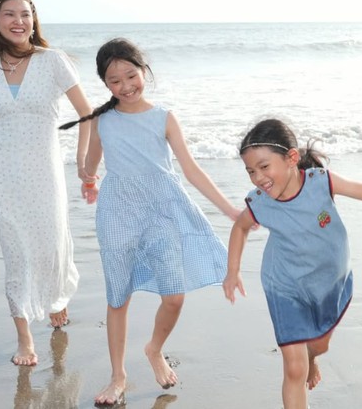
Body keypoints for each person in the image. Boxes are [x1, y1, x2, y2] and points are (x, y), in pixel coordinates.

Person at [59, 37, 243, 406]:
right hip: (117, 214)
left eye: (131, 75)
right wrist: (88, 180)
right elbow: (92, 165)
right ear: (105, 83)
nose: (126, 86)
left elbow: (190, 169)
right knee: (118, 297)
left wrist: (231, 210)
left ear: (144, 71)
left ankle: (154, 349)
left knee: (173, 296)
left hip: (162, 211)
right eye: (115, 80)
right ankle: (118, 376)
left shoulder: (164, 117)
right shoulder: (103, 120)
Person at [222, 117, 362, 409]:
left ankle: (312, 356)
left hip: (328, 282)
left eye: (263, 167)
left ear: (291, 158)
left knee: (320, 345)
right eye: (250, 171)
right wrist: (232, 270)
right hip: (284, 285)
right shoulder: (260, 201)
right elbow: (241, 227)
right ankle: (303, 362)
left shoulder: (321, 182)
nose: (258, 178)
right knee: (294, 368)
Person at [0, 0, 92, 367]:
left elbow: (88, 113)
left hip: (45, 171)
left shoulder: (53, 61)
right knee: (16, 253)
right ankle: (25, 338)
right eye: (9, 14)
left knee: (51, 244)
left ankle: (56, 297)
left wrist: (84, 163)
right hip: (2, 177)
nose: (19, 21)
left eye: (26, 14)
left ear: (34, 20)